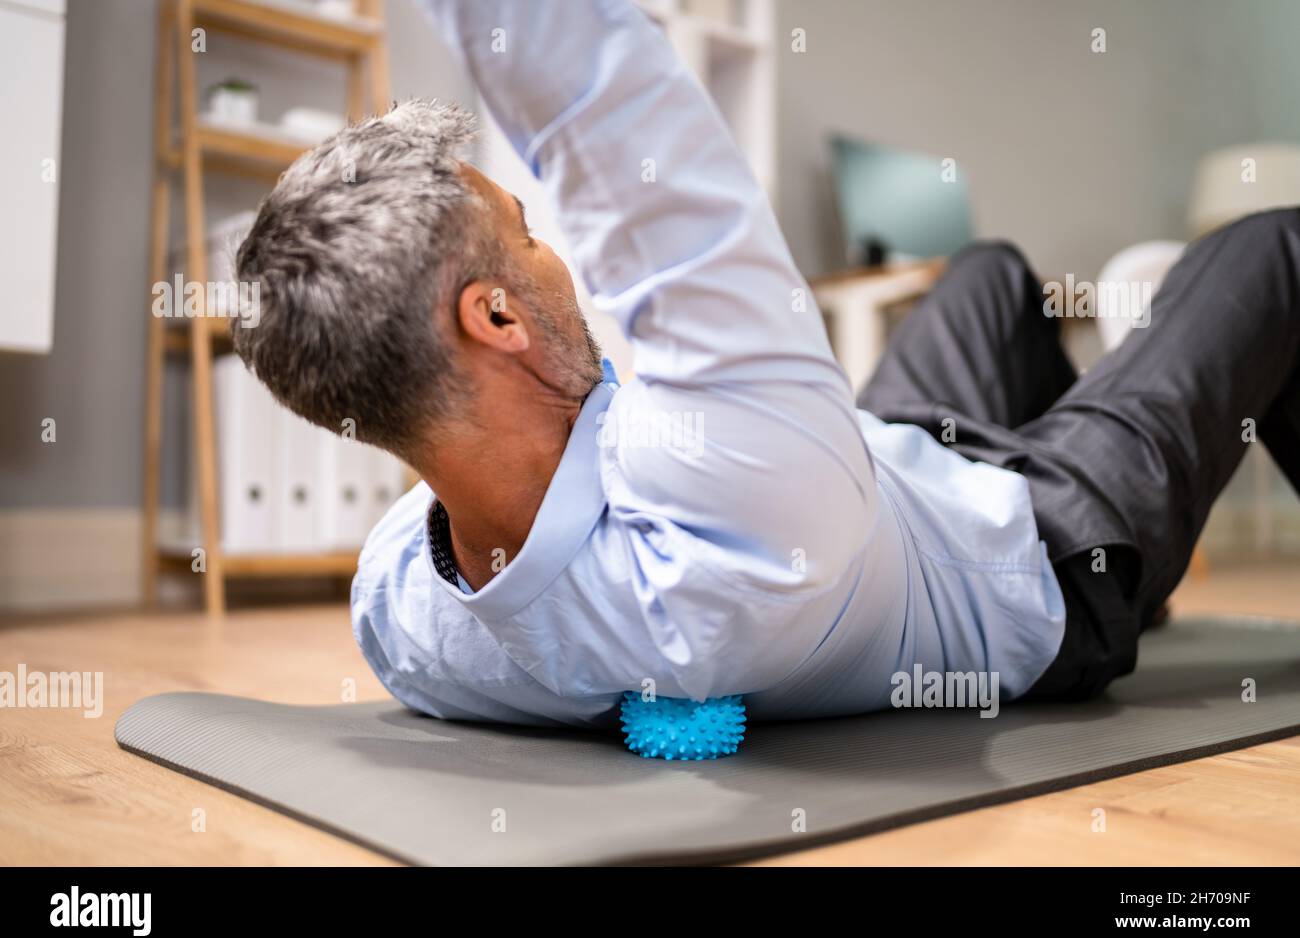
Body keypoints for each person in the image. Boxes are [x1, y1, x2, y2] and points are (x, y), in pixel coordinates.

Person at [233, 0, 1300, 727]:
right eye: (529, 234)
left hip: (884, 484)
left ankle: (1132, 486)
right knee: (1272, 251)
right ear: (497, 316)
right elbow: (615, 119)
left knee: (987, 274)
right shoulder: (729, 513)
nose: (556, 254)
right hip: (1035, 557)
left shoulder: (400, 611)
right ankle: (1138, 544)